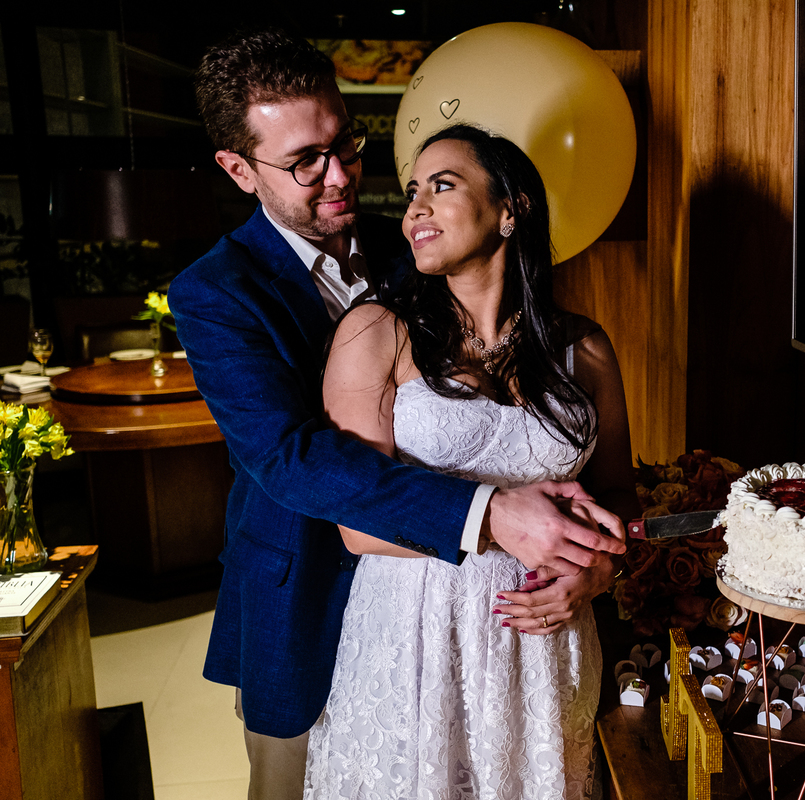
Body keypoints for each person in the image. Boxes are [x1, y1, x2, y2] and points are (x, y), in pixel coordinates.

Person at [169, 29, 626, 800]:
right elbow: (290, 458)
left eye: (346, 142)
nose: (341, 174)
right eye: (305, 162)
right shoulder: (215, 293)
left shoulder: (415, 241)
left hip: (500, 635)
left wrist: (595, 561)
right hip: (309, 597)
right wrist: (489, 515)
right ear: (239, 169)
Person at [302, 124, 640, 799]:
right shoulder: (375, 333)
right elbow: (356, 520)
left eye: (442, 186)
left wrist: (596, 575)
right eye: (411, 193)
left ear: (512, 208)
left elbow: (619, 504)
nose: (414, 210)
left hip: (545, 646)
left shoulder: (586, 348)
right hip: (417, 635)